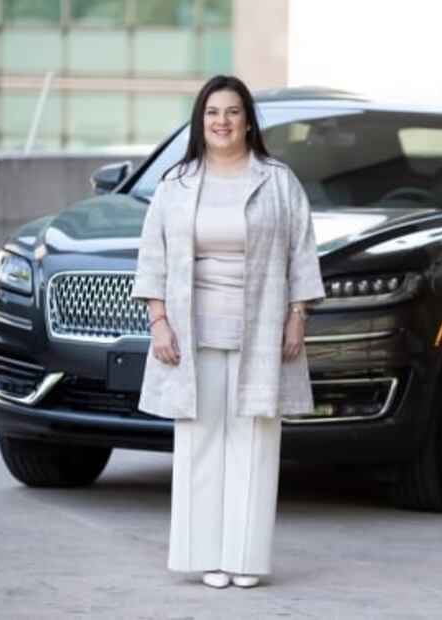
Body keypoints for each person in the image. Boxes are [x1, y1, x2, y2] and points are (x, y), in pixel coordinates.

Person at [130, 75, 324, 589]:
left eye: (232, 112)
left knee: (255, 441)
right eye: (212, 112)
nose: (222, 121)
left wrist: (297, 316)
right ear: (201, 121)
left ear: (248, 120)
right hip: (191, 334)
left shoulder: (278, 181)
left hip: (261, 330)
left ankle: (245, 558)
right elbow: (153, 257)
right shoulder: (176, 183)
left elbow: (302, 252)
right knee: (199, 441)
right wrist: (159, 322)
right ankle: (206, 556)